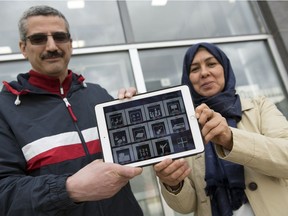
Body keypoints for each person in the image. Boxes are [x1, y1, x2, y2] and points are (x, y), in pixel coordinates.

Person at [0, 5, 143, 216]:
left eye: (59, 37)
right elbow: (4, 193)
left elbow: (133, 151)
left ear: (70, 43)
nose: (51, 46)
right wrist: (70, 189)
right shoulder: (5, 110)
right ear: (23, 47)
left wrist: (137, 115)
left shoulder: (99, 95)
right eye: (39, 39)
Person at [153, 42, 288, 216]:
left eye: (211, 64)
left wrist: (230, 139)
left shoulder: (259, 107)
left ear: (225, 68)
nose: (204, 73)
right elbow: (186, 206)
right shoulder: (182, 128)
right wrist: (172, 183)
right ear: (188, 78)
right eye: (194, 69)